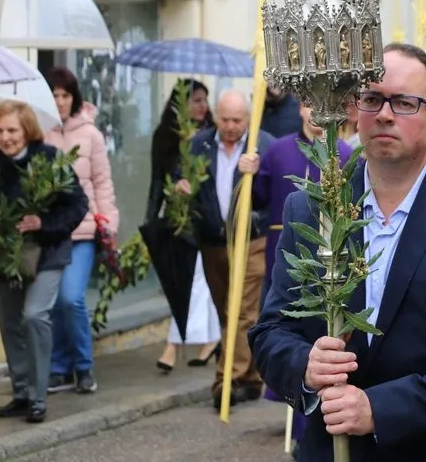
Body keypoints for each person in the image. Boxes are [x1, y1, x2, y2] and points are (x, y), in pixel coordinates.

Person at [249, 43, 426, 462]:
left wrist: (380, 409)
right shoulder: (312, 209)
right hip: (334, 448)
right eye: (372, 99)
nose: (385, 114)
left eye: (405, 102)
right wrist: (305, 364)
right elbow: (270, 332)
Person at [253, 100, 354, 443]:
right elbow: (257, 197)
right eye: (310, 104)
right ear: (300, 108)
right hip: (287, 249)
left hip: (332, 262)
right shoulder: (280, 150)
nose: (316, 114)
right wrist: (247, 176)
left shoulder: (346, 154)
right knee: (292, 328)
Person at [0, 101, 88, 423]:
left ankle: (38, 396)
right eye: (0, 130)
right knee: (11, 324)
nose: (5, 137)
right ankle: (21, 393)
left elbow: (77, 204)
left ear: (27, 130)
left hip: (47, 252)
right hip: (6, 255)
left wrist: (43, 223)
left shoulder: (49, 159)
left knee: (34, 316)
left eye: (12, 130)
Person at [175, 89, 275, 409]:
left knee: (242, 310)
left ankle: (226, 381)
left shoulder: (264, 145)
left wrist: (257, 172)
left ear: (248, 118)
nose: (231, 126)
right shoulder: (198, 144)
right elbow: (182, 176)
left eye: (237, 120)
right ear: (215, 116)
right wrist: (182, 187)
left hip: (251, 238)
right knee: (226, 311)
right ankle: (251, 379)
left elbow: (275, 192)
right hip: (213, 241)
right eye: (225, 119)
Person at [42, 67, 118, 395]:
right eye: (54, 95)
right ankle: (59, 367)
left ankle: (84, 367)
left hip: (85, 231)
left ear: (74, 97)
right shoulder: (41, 132)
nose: (59, 101)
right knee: (54, 300)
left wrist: (107, 222)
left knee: (72, 298)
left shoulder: (91, 135)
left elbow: (101, 181)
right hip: (50, 232)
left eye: (65, 95)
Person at [148, 79, 220, 372]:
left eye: (205, 100)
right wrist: (151, 219)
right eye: (196, 100)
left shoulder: (211, 137)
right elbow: (157, 180)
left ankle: (172, 346)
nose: (203, 106)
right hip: (177, 219)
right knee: (186, 283)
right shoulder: (165, 137)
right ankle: (211, 339)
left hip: (204, 221)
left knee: (199, 283)